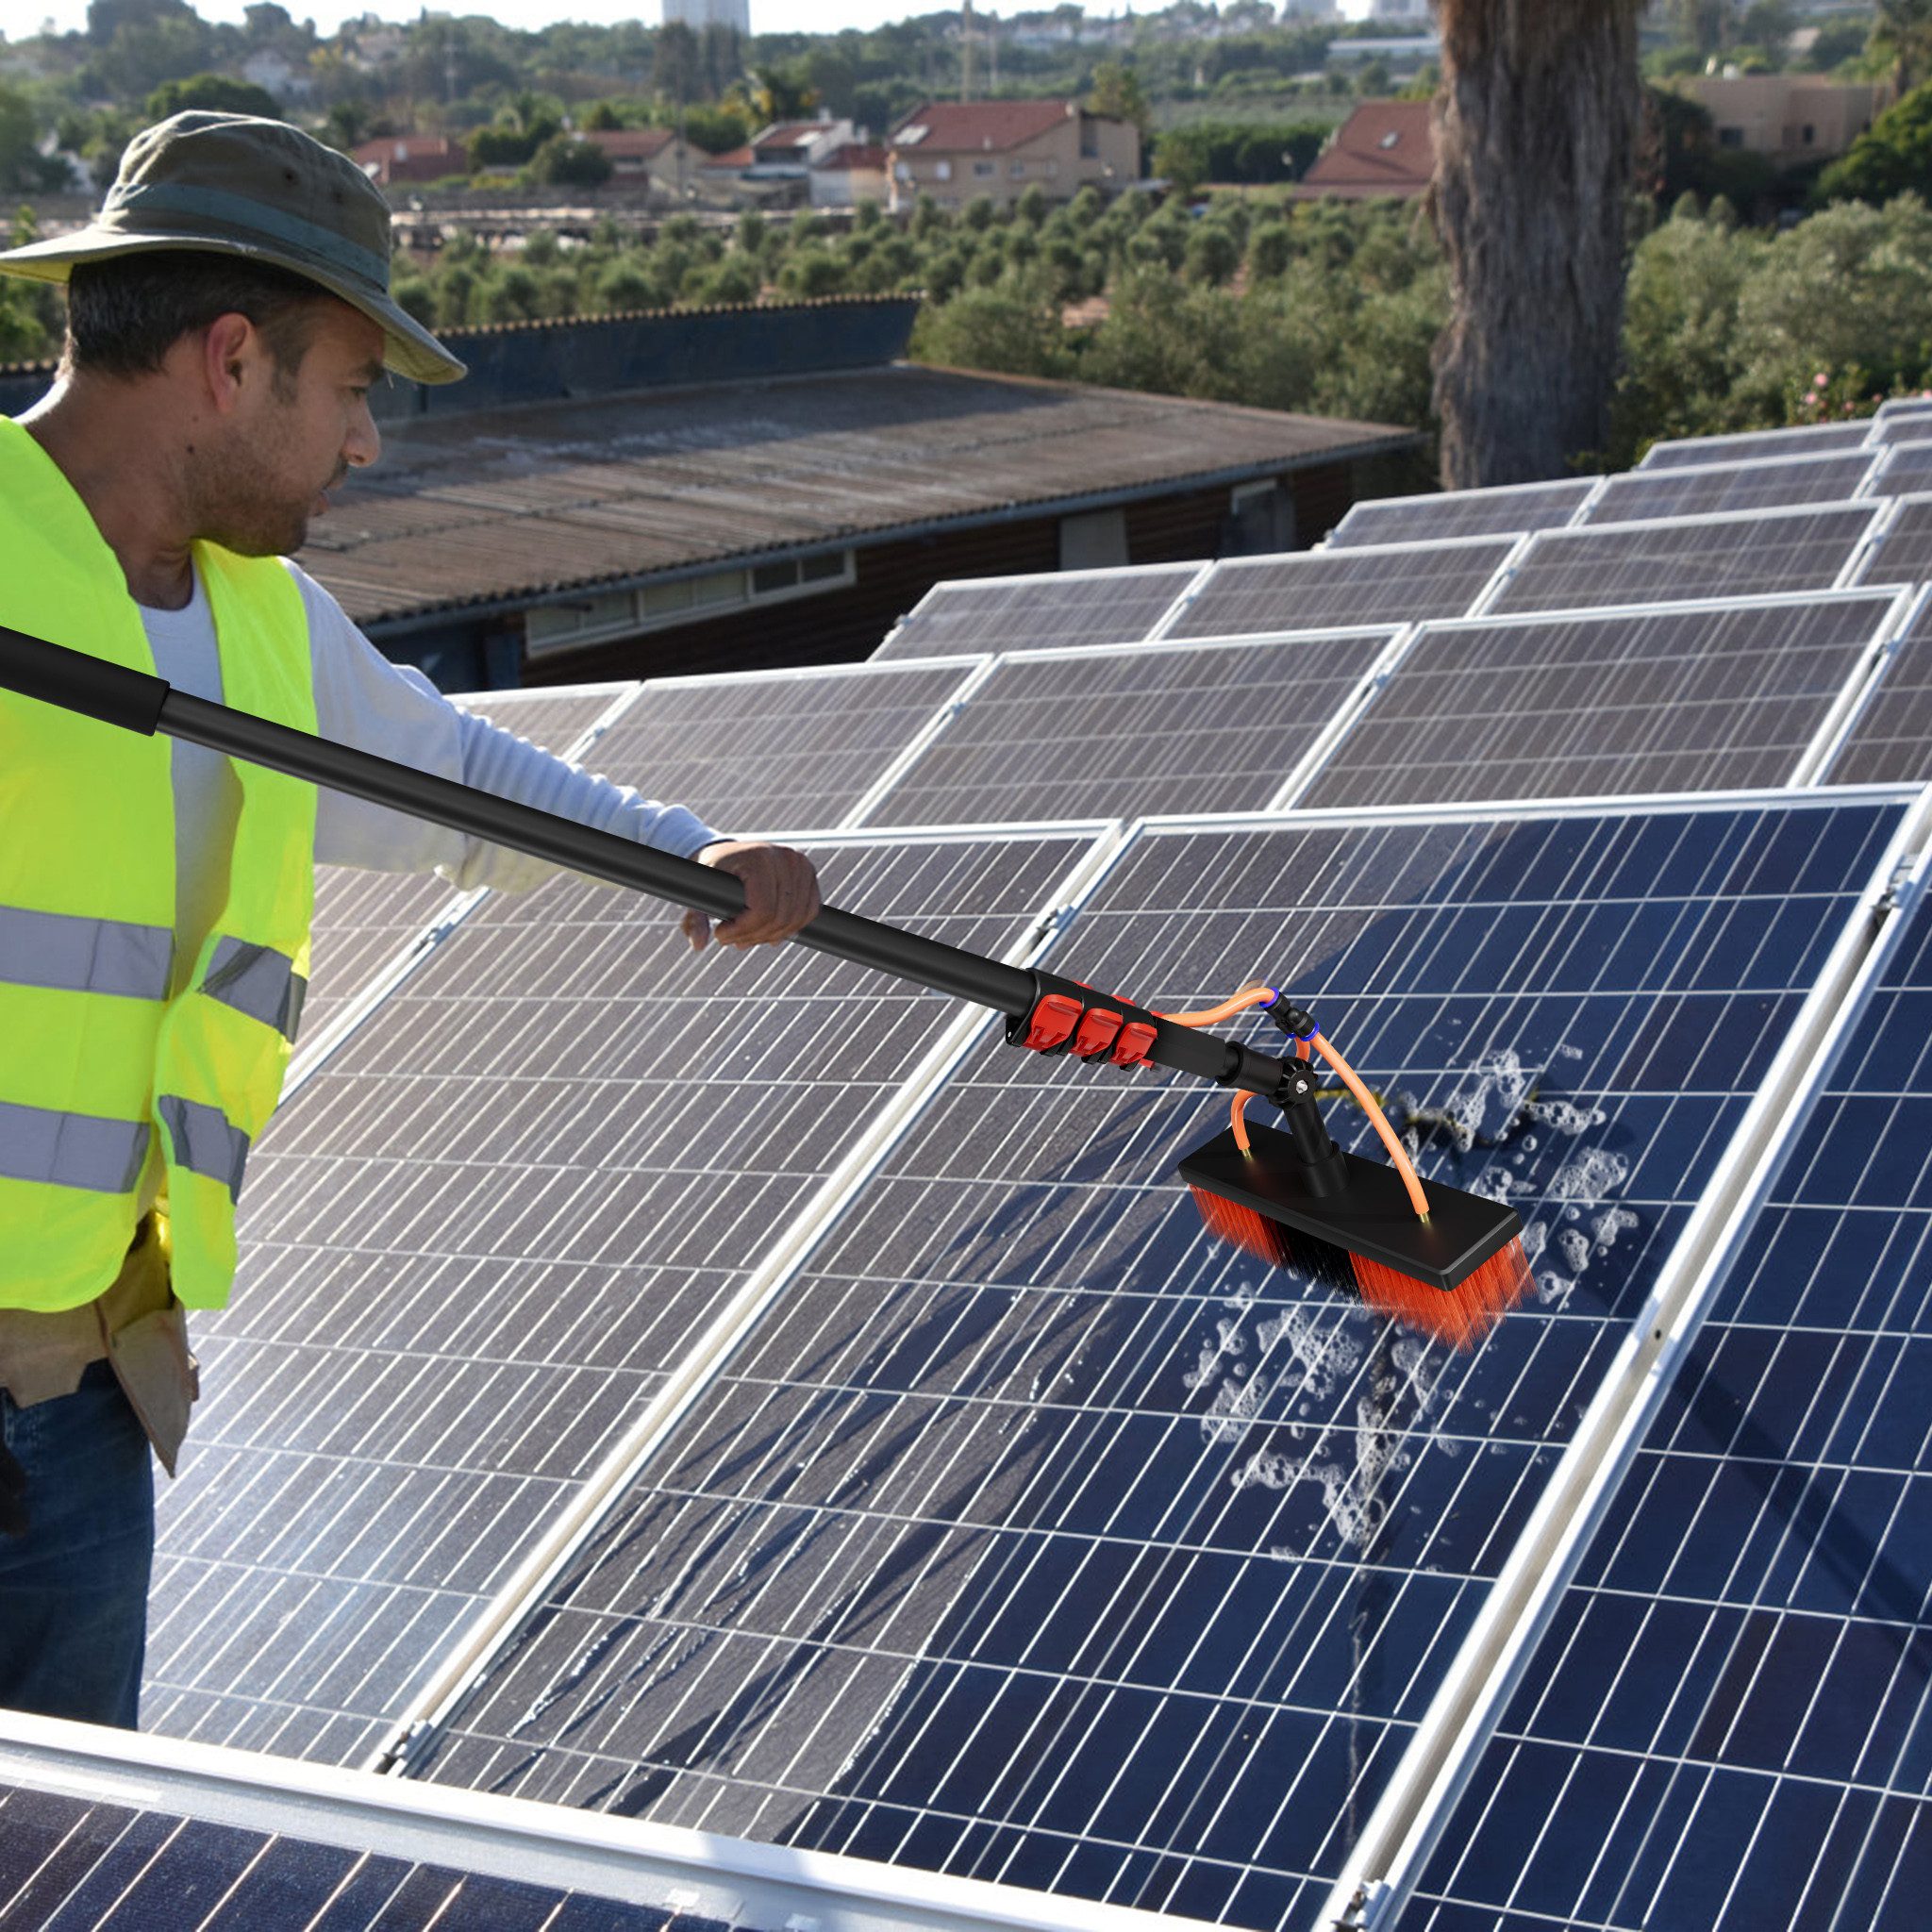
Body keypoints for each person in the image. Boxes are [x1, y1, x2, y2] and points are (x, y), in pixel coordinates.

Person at [0, 112, 820, 1729]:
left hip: (80, 1394)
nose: (366, 446)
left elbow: (458, 790)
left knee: (58, 1871)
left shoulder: (260, 625)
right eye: (355, 389)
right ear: (234, 361)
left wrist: (690, 859)